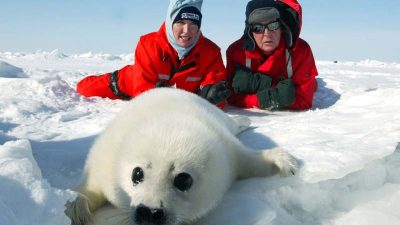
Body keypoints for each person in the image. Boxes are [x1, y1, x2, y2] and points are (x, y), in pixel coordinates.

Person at [76, 0, 230, 106]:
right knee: (84, 88)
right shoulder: (148, 45)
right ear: (170, 23)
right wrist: (156, 95)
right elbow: (142, 91)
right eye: (181, 23)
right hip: (128, 82)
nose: (186, 31)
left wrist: (211, 96)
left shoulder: (211, 52)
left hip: (177, 98)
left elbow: (219, 91)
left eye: (193, 25)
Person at [226, 0, 318, 110]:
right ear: (250, 32)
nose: (267, 34)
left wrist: (262, 93)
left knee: (314, 84)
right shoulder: (236, 53)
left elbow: (304, 99)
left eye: (273, 25)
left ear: (281, 27)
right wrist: (267, 95)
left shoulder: (301, 51)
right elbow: (230, 95)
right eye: (258, 28)